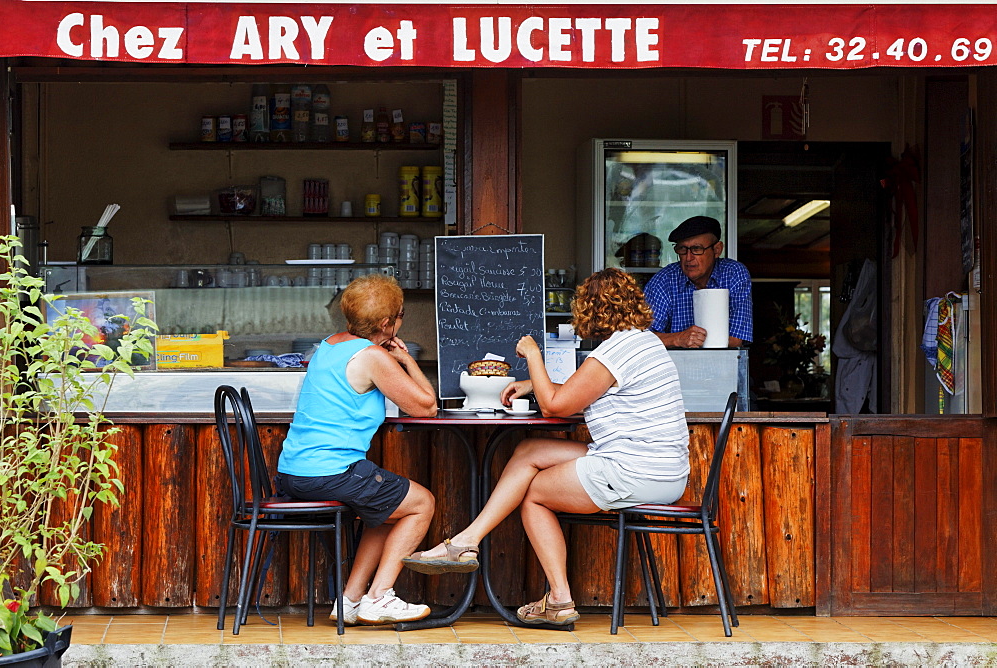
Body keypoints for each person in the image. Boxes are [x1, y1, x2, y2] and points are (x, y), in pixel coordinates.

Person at [401, 268, 689, 626]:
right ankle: (466, 541)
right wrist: (530, 384)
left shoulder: (614, 353)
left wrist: (533, 354)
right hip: (655, 467)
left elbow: (556, 406)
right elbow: (572, 393)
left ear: (591, 309)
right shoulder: (642, 342)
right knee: (530, 451)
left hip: (635, 471)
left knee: (533, 493)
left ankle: (560, 600)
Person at [276, 274, 438, 626]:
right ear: (386, 324)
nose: (400, 321)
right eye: (400, 316)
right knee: (422, 503)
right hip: (330, 472)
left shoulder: (329, 345)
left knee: (385, 508)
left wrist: (397, 358)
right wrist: (408, 362)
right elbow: (426, 407)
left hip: (293, 472)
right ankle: (379, 598)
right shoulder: (372, 357)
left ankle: (349, 601)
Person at [643, 215, 753, 348]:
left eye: (697, 249)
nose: (689, 258)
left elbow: (736, 339)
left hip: (722, 365)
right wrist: (677, 338)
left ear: (717, 250)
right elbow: (641, 338)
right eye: (683, 249)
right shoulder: (665, 280)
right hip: (673, 366)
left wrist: (696, 341)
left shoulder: (733, 274)